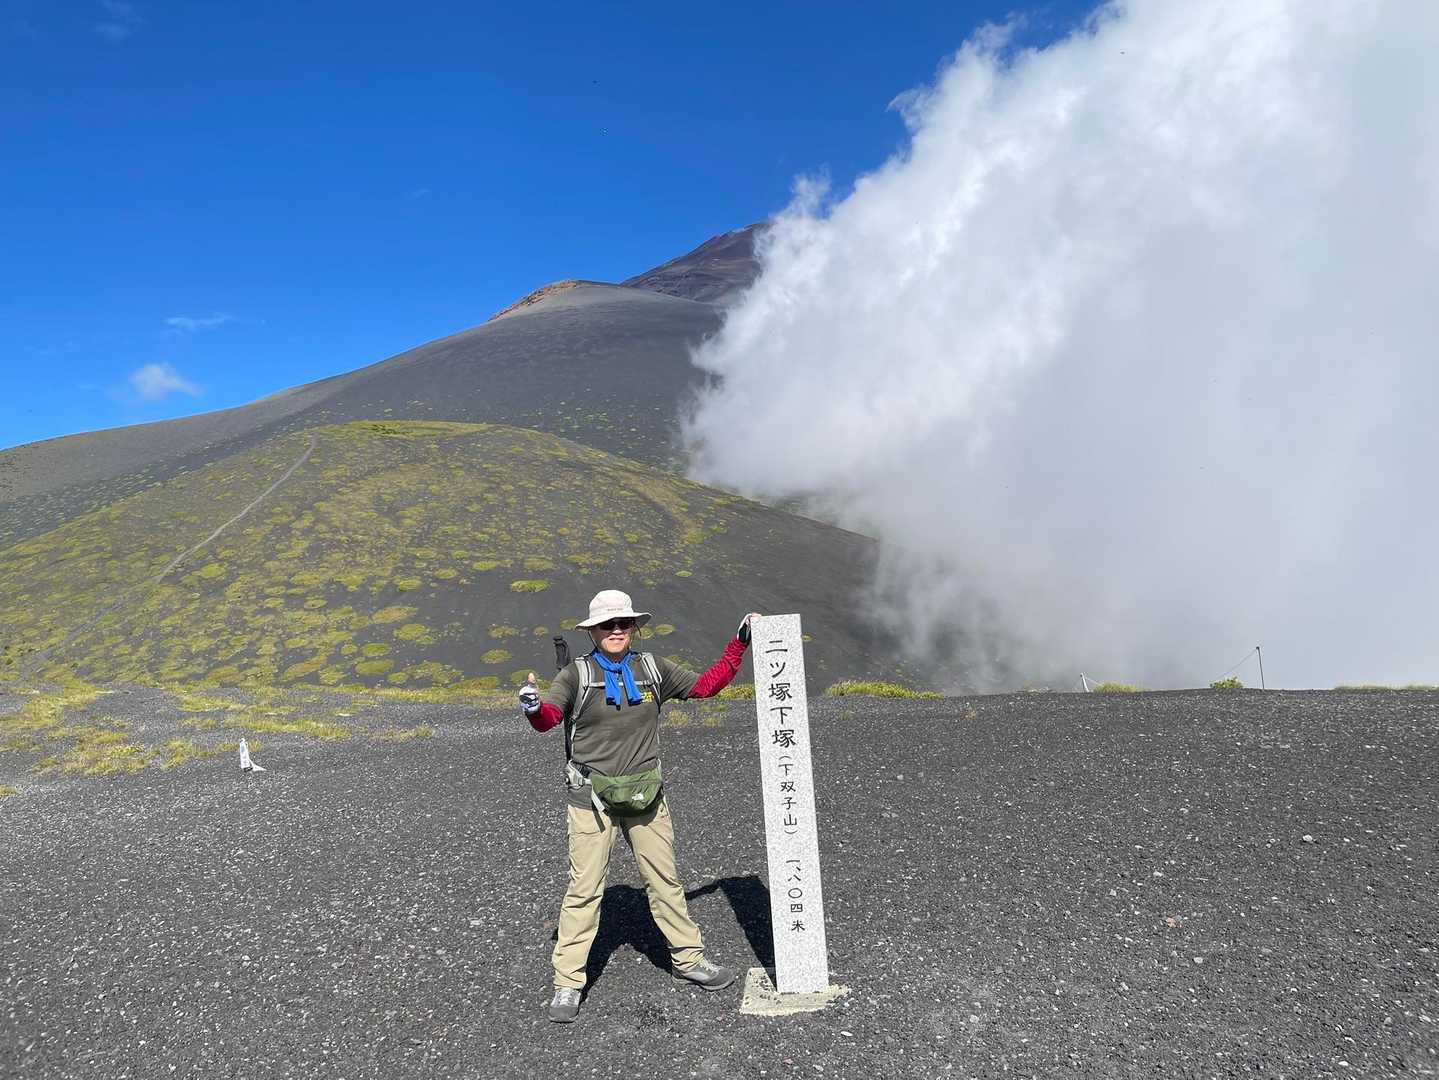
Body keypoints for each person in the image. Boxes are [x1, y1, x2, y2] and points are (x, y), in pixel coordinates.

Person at [519, 588, 758, 1023]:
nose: (616, 630)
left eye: (623, 623)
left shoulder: (652, 669)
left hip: (646, 793)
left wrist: (738, 644)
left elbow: (706, 686)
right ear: (592, 630)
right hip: (591, 799)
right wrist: (534, 708)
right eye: (607, 624)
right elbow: (549, 719)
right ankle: (568, 983)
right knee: (584, 890)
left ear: (634, 627)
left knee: (665, 880)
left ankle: (688, 960)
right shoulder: (576, 675)